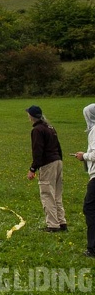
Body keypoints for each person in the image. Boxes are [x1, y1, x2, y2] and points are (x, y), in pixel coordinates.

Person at [25, 105, 67, 232]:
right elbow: (58, 147)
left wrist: (33, 169)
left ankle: (53, 225)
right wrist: (59, 161)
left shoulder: (37, 130)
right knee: (57, 194)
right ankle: (62, 222)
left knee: (47, 194)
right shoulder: (50, 127)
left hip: (48, 164)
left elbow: (38, 150)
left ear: (31, 116)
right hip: (58, 162)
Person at [76, 104, 95, 257]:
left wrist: (84, 156)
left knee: (89, 209)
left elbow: (94, 154)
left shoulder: (94, 131)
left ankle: (93, 248)